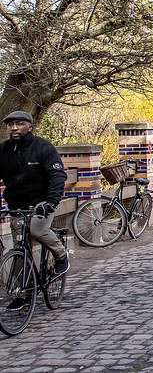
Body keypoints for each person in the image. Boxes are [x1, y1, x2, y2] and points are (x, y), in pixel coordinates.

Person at [0, 110, 71, 303]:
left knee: (37, 229)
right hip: (17, 205)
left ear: (29, 126)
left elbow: (57, 176)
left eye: (19, 123)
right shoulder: (3, 150)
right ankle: (24, 293)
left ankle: (61, 255)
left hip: (42, 202)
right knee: (20, 249)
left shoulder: (43, 148)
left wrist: (51, 202)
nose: (14, 127)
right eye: (10, 124)